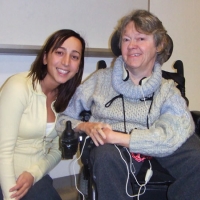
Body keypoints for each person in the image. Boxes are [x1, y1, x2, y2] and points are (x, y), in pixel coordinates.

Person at [56, 10, 200, 200]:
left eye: (140, 38)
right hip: (113, 153)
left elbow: (181, 128)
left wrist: (119, 137)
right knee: (105, 157)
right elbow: (62, 119)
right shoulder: (100, 80)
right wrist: (84, 126)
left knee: (196, 157)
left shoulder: (167, 89)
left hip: (152, 141)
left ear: (159, 44)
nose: (132, 46)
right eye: (126, 39)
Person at [0, 29, 85, 200]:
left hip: (32, 177)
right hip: (4, 172)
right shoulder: (18, 87)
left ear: (78, 67)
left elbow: (57, 150)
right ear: (45, 57)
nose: (66, 62)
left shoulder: (68, 100)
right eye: (60, 52)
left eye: (74, 57)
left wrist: (34, 173)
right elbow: (3, 151)